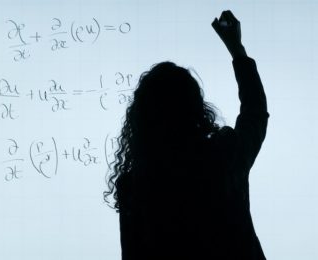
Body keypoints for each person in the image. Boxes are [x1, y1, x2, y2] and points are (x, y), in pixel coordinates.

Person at [104, 10, 269, 260]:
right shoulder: (224, 157)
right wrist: (236, 49)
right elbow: (255, 112)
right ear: (196, 108)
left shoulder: (135, 185)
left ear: (142, 118)